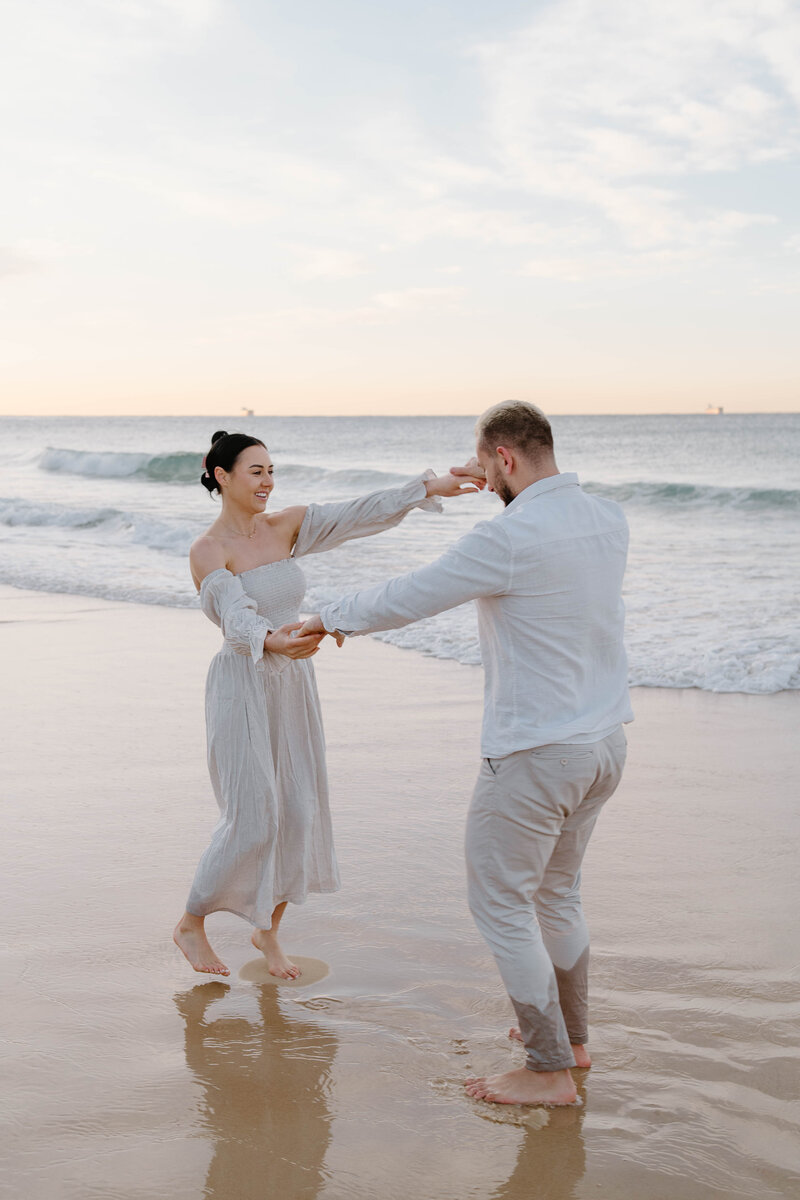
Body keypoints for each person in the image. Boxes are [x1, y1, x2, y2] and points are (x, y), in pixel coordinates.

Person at [299, 401, 632, 1105]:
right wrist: (481, 476)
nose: (484, 480)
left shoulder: (508, 538)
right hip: (604, 744)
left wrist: (329, 617)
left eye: (487, 466)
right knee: (557, 894)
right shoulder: (609, 519)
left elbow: (412, 595)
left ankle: (548, 1070)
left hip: (536, 754)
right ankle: (571, 1040)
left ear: (503, 458)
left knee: (501, 905)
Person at [173, 430, 483, 981]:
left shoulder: (285, 525)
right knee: (254, 817)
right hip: (243, 684)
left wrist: (429, 487)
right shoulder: (208, 550)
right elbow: (234, 617)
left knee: (298, 810)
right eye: (255, 471)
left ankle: (267, 930)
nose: (268, 482)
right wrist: (270, 640)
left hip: (293, 682)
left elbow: (357, 514)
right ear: (221, 476)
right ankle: (191, 922)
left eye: (271, 470)